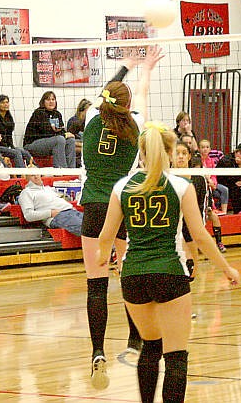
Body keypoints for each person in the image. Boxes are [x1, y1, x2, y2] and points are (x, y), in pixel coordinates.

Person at [96, 122, 239, 403]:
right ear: (170, 152)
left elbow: (105, 235)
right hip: (170, 273)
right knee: (175, 356)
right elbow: (200, 236)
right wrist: (227, 268)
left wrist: (103, 258)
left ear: (142, 152)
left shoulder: (122, 187)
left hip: (133, 276)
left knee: (150, 347)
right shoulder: (180, 186)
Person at [80, 46, 162, 389]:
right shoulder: (137, 124)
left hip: (95, 209)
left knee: (95, 283)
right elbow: (139, 94)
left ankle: (98, 352)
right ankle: (135, 335)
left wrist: (126, 65)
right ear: (127, 106)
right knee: (130, 272)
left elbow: (109, 91)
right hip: (124, 208)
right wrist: (145, 70)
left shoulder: (88, 118)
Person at [174, 144, 227, 253]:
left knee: (191, 261)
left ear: (189, 156)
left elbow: (201, 206)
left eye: (184, 153)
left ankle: (218, 243)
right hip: (173, 227)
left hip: (191, 224)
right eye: (177, 153)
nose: (180, 156)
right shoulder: (167, 178)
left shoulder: (199, 179)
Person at [18, 170, 83, 236]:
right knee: (87, 229)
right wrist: (50, 213)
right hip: (57, 216)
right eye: (32, 175)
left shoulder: (48, 189)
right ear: (27, 178)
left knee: (93, 223)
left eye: (37, 174)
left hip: (72, 211)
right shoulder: (26, 193)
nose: (36, 176)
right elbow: (28, 216)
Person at [23, 92, 76, 168]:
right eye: (48, 99)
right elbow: (46, 133)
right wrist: (64, 135)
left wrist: (66, 134)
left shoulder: (57, 114)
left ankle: (72, 171)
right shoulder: (39, 113)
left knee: (70, 140)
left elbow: (61, 130)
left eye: (53, 99)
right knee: (59, 139)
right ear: (43, 102)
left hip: (49, 144)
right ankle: (61, 170)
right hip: (32, 145)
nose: (51, 101)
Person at [0, 94, 33, 168]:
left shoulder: (8, 117)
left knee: (24, 152)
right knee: (16, 152)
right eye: (3, 103)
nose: (5, 104)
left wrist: (11, 146)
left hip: (8, 146)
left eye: (7, 102)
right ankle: (22, 175)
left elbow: (9, 135)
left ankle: (37, 170)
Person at [215, 142, 241, 213]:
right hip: (223, 182)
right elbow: (227, 178)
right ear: (235, 152)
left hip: (237, 182)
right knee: (236, 189)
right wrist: (240, 167)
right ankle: (237, 212)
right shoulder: (226, 160)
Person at [199, 139, 229, 212]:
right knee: (217, 194)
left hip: (212, 183)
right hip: (203, 183)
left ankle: (224, 211)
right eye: (203, 147)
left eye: (207, 147)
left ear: (210, 149)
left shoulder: (211, 161)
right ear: (199, 149)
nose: (205, 149)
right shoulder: (198, 160)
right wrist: (209, 181)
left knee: (225, 190)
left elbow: (213, 175)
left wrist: (214, 184)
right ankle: (212, 209)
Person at [67, 98, 92, 166]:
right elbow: (69, 140)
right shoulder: (73, 121)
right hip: (76, 146)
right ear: (82, 111)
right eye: (88, 111)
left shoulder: (90, 122)